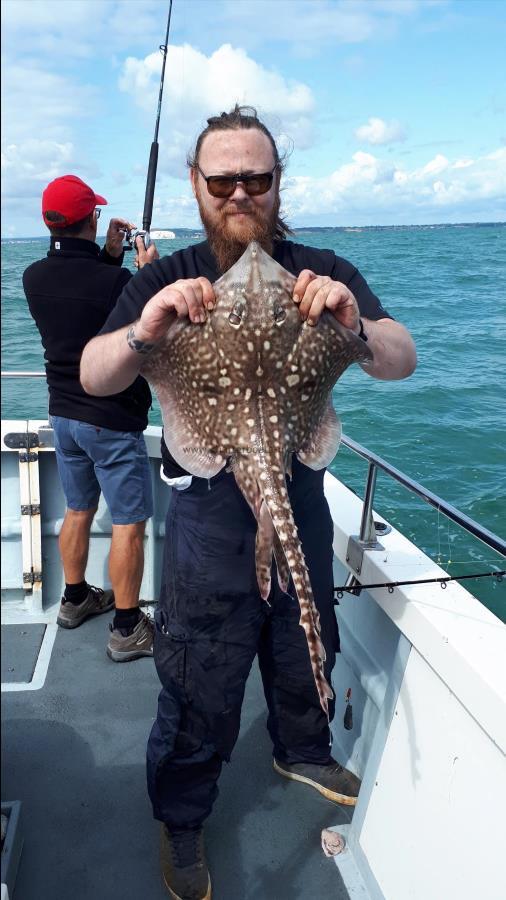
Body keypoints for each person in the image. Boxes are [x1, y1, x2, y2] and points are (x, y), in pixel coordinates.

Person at [81, 107, 417, 899]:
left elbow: (399, 357)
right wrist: (145, 331)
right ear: (197, 185)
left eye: (256, 178)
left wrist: (352, 326)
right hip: (207, 516)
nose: (240, 191)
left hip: (298, 490)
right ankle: (184, 815)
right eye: (223, 178)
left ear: (277, 182)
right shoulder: (163, 276)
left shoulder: (321, 267)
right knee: (201, 671)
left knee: (308, 637)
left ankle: (301, 746)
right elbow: (96, 375)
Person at [23, 174, 159, 663]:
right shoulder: (118, 282)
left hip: (63, 416)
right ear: (92, 218)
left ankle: (75, 598)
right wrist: (147, 273)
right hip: (111, 419)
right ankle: (126, 628)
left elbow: (85, 295)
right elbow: (133, 317)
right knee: (129, 523)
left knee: (78, 510)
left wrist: (110, 254)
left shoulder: (33, 277)